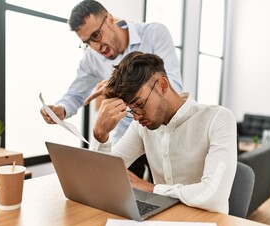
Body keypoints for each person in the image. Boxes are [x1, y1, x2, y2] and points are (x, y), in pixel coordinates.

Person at [40, 0, 183, 178]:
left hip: (161, 133)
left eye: (96, 35)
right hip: (126, 137)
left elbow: (173, 87)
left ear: (109, 19)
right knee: (118, 190)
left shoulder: (154, 34)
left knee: (164, 192)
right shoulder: (91, 58)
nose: (95, 47)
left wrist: (115, 84)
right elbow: (76, 93)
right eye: (87, 42)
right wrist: (61, 109)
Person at [90, 51, 237, 213]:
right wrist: (100, 135)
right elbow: (102, 177)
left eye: (140, 104)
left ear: (162, 86)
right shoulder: (142, 126)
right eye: (131, 109)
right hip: (160, 220)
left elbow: (214, 196)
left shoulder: (218, 119)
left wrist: (152, 188)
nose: (137, 116)